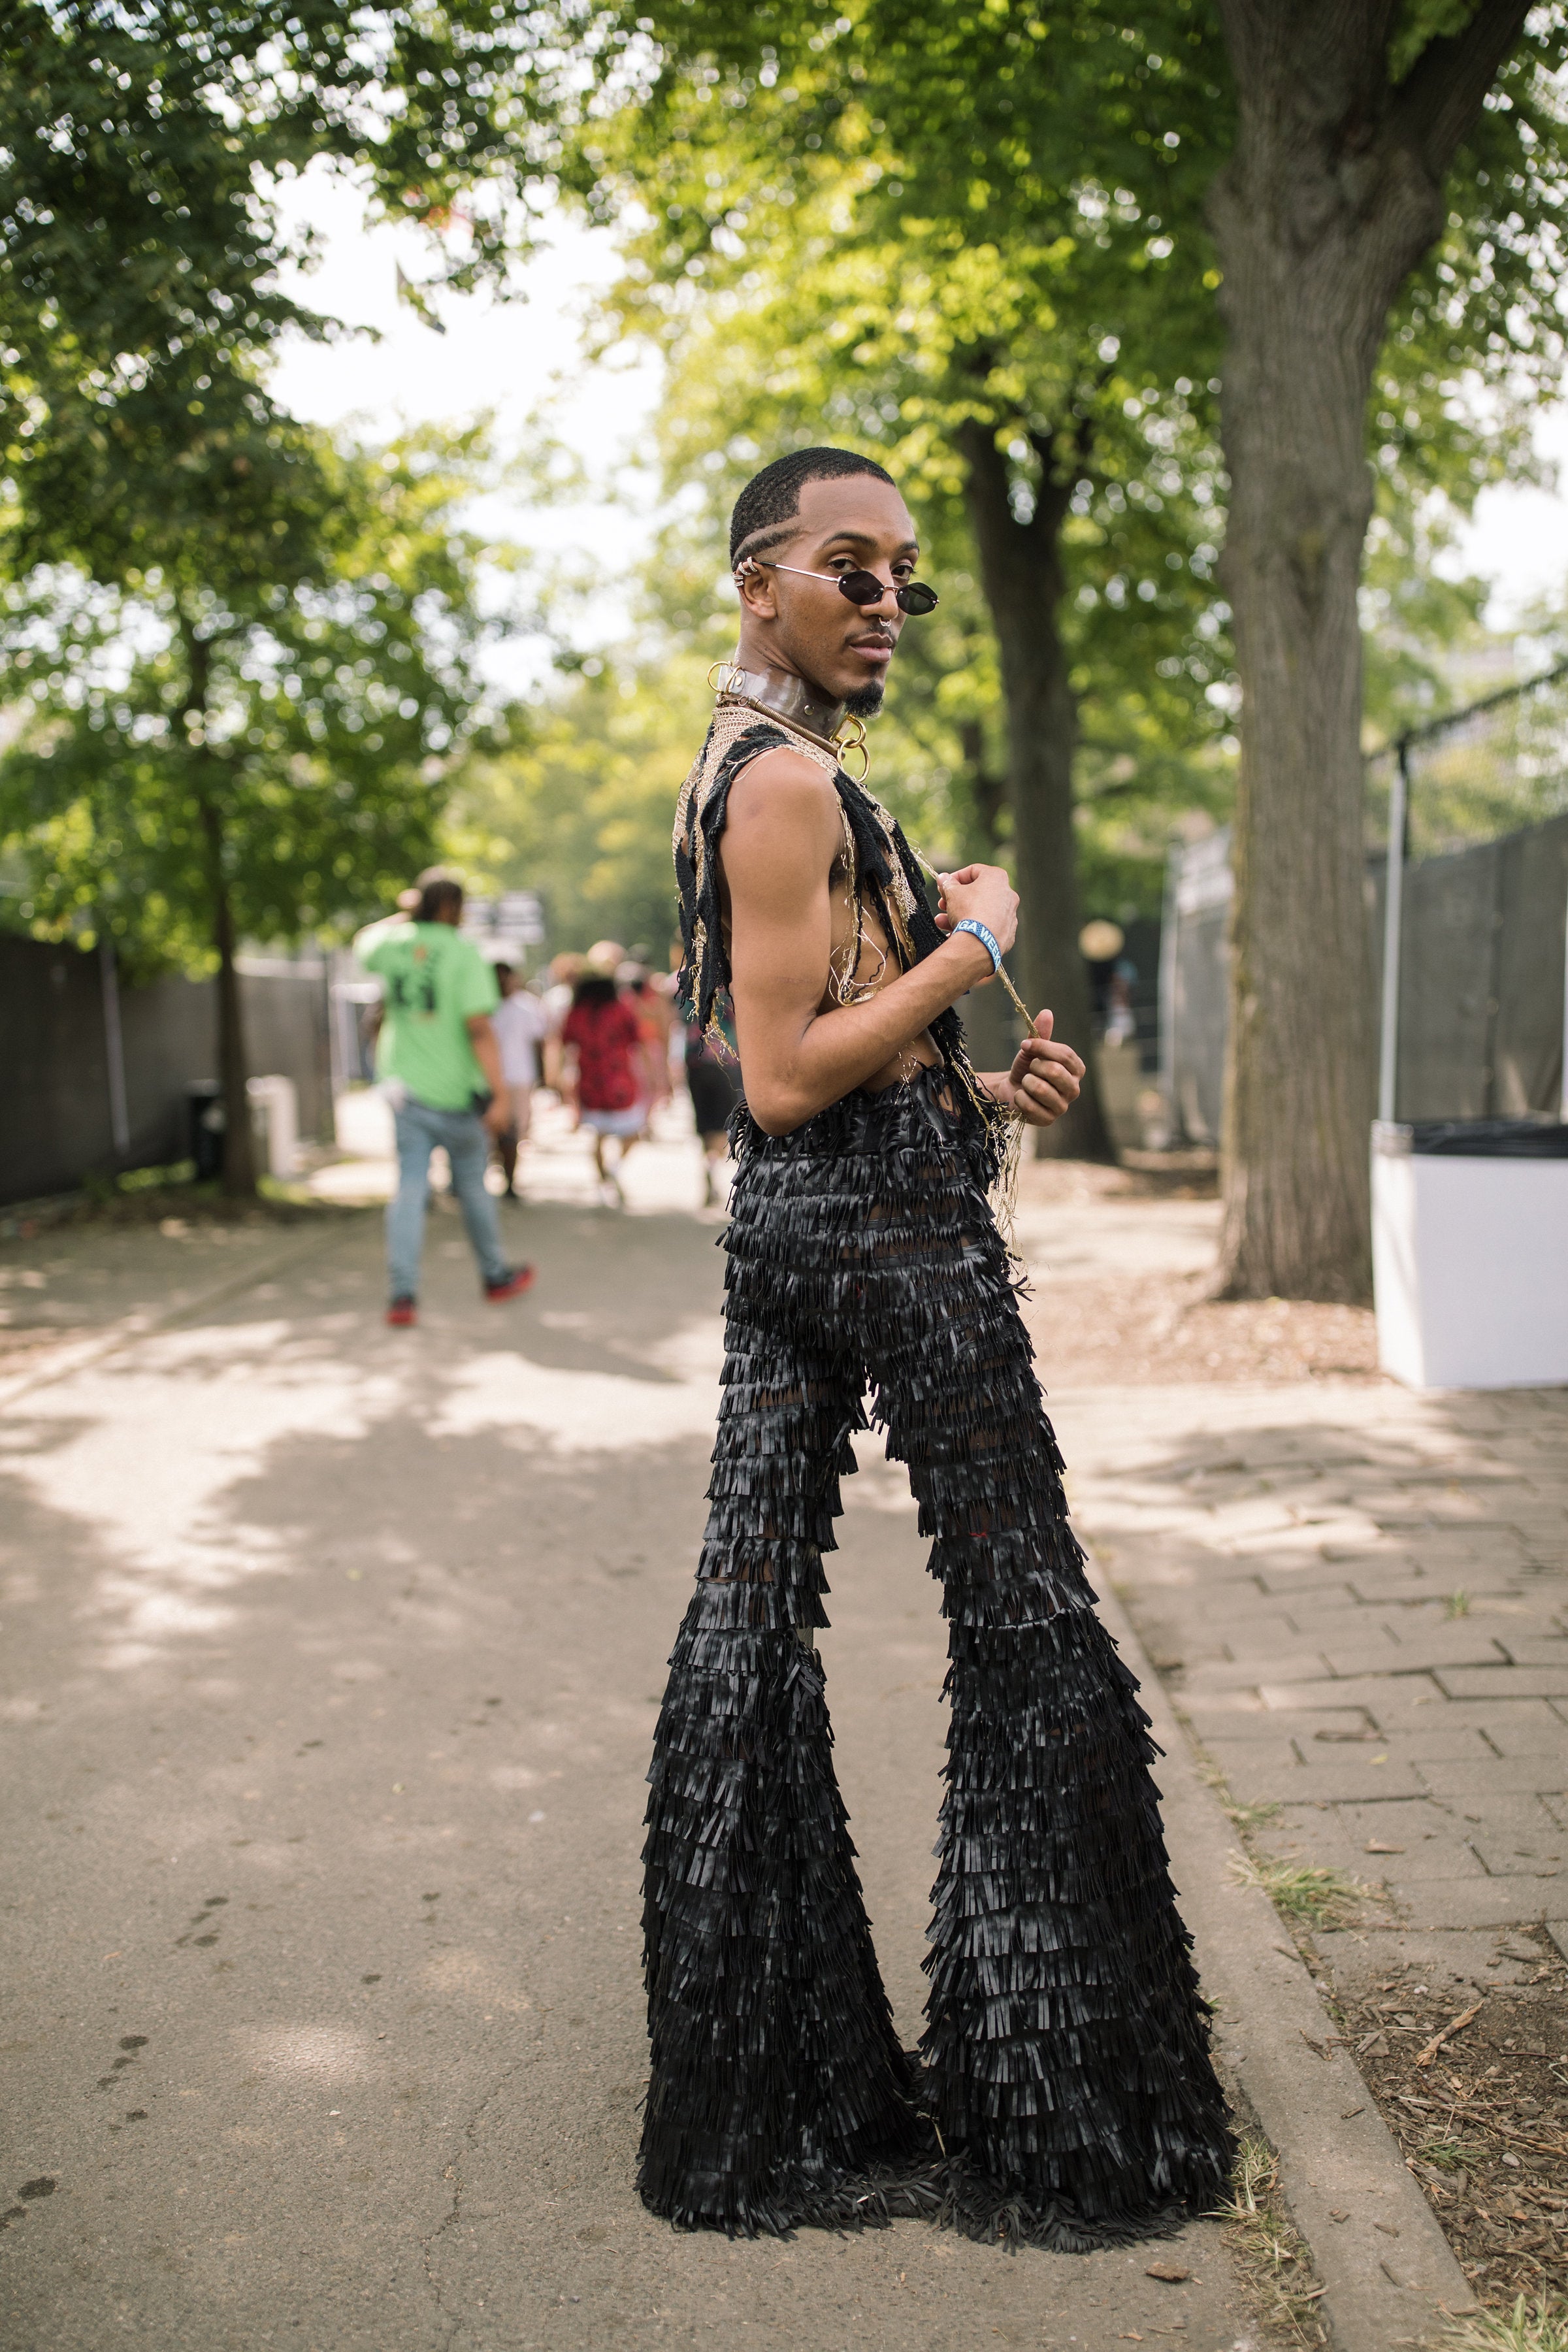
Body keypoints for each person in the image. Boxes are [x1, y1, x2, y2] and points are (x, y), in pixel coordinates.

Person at [640, 448, 1231, 2247]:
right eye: (848, 565)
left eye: (902, 570)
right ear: (762, 586)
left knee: (750, 1614)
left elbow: (828, 1060)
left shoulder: (768, 772)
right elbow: (781, 1075)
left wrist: (984, 1085)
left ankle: (763, 2102)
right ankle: (1072, 2119)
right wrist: (975, 938)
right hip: (889, 1247)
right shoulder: (784, 788)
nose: (885, 595)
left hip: (811, 1238)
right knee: (1021, 1603)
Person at [354, 872, 534, 1326]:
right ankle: (495, 1276)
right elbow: (478, 1028)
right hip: (456, 1093)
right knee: (473, 1186)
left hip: (404, 1089)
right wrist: (499, 1095)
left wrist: (407, 911)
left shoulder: (393, 944)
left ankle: (402, 1295)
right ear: (455, 908)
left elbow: (363, 941)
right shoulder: (463, 952)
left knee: (410, 1189)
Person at [560, 968, 647, 1205]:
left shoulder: (576, 1013)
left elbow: (566, 1043)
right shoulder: (620, 1011)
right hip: (619, 1082)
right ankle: (614, 1170)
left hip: (590, 1083)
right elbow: (637, 1042)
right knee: (633, 1133)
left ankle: (603, 1180)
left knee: (597, 1137)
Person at [488, 960, 551, 1195]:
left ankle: (510, 1181)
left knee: (513, 1132)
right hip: (488, 1078)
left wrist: (542, 1076)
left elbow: (538, 1043)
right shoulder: (482, 1006)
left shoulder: (526, 1007)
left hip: (518, 1078)